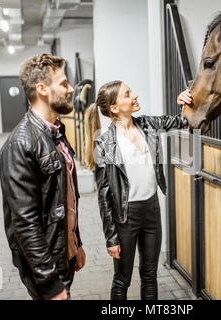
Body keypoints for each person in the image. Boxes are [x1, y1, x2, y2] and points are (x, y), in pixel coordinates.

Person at [85, 80, 192, 300]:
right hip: (126, 217)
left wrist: (186, 102)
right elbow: (104, 196)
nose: (134, 95)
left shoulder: (147, 124)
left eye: (131, 91)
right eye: (127, 94)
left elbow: (181, 121)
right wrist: (111, 238)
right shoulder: (105, 143)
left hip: (151, 210)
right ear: (114, 108)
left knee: (150, 275)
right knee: (122, 279)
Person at [0, 53, 86, 300]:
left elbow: (66, 199)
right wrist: (49, 283)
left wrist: (75, 245)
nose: (71, 90)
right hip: (46, 268)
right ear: (42, 89)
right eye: (64, 84)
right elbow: (25, 223)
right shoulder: (20, 144)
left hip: (63, 253)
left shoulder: (56, 133)